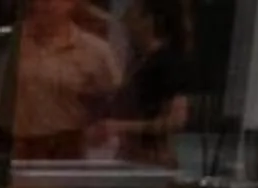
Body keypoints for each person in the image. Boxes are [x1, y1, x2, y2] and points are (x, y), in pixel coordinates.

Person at [11, 0, 119, 161]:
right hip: (13, 147)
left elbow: (114, 101)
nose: (48, 3)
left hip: (66, 150)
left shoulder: (96, 50)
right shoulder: (10, 43)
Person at [99, 0, 192, 165]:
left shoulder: (169, 62)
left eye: (132, 11)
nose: (125, 18)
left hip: (153, 161)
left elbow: (176, 120)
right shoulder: (141, 61)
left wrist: (121, 127)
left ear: (148, 19)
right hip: (132, 158)